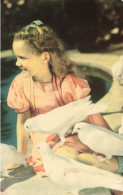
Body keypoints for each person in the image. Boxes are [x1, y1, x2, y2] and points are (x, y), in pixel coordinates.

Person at [7, 20, 123, 194]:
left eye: (22, 57)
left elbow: (84, 118)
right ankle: (113, 169)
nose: (17, 62)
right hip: (48, 142)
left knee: (76, 157)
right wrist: (20, 155)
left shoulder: (67, 83)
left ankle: (116, 167)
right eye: (16, 57)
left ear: (44, 57)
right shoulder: (21, 85)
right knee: (64, 160)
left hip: (75, 135)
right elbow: (22, 123)